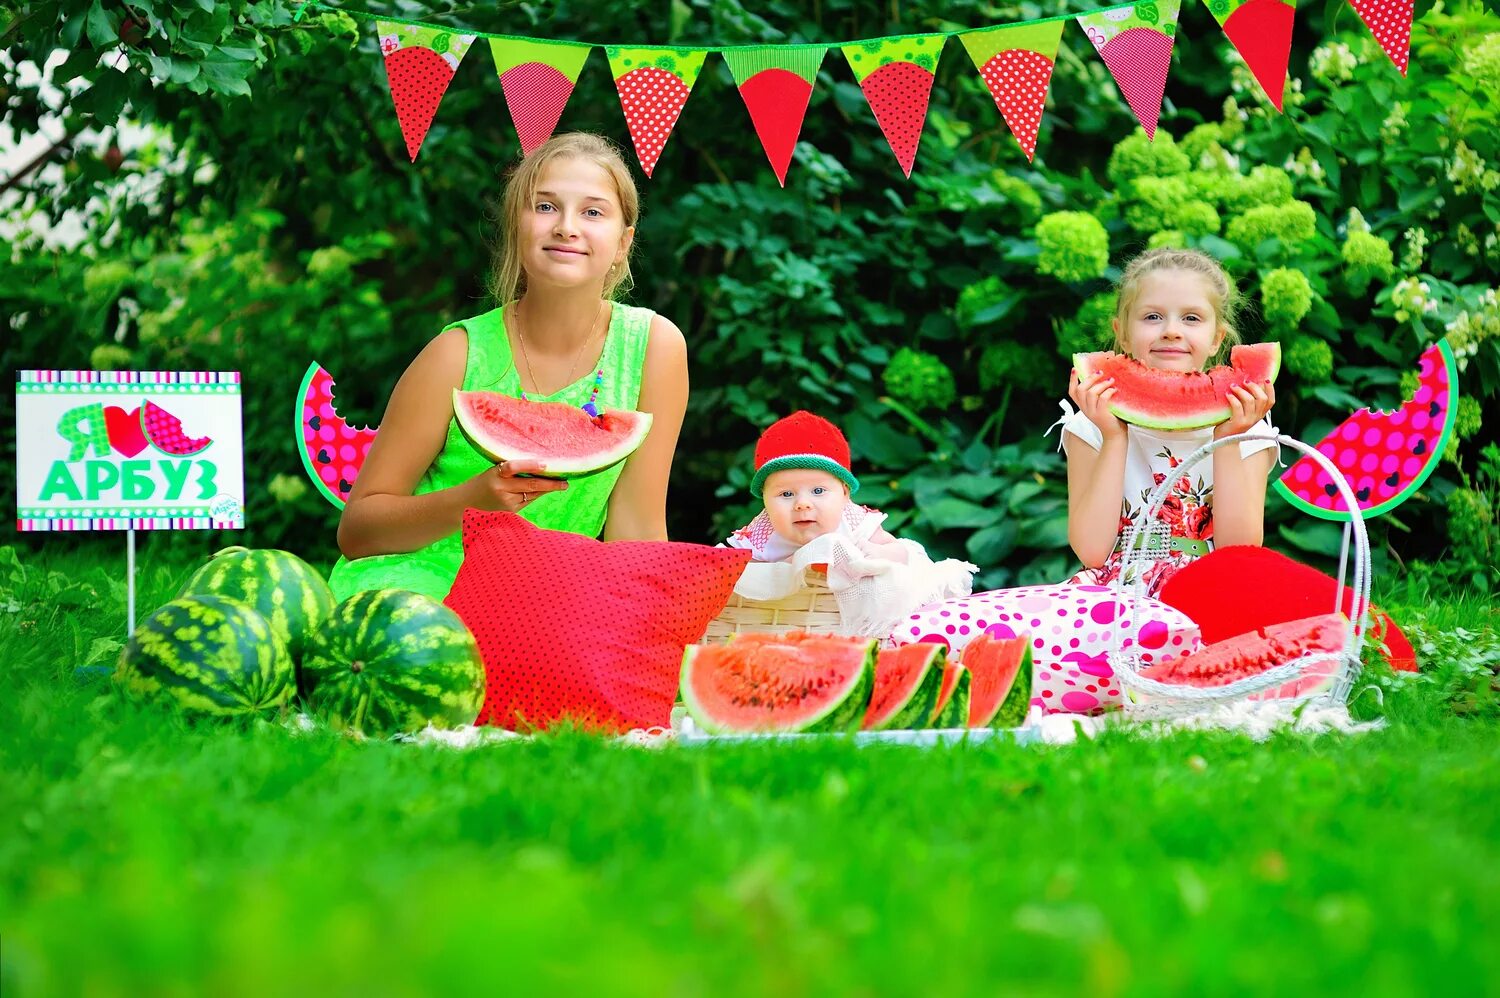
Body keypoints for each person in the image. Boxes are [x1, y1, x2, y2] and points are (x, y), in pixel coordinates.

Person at [329, 132, 689, 602]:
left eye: (593, 211)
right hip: (422, 589)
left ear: (623, 243)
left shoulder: (655, 348)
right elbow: (357, 532)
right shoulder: (456, 354)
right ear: (517, 227)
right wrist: (469, 501)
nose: (566, 226)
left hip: (550, 602)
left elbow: (636, 529)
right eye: (544, 207)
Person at [1056, 247, 1278, 596]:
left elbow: (1240, 551)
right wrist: (1114, 438)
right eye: (1152, 317)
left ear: (1217, 338)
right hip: (1115, 598)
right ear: (1122, 333)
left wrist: (1228, 438)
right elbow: (1092, 551)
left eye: (1191, 318)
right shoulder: (1091, 427)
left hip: (1210, 588)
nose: (1172, 331)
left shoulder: (1247, 426)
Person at [724, 410, 912, 563]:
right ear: (764, 498)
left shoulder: (854, 522)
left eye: (818, 491)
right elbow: (739, 578)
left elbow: (900, 553)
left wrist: (880, 554)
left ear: (845, 494)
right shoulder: (762, 535)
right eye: (787, 493)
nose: (803, 504)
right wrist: (780, 569)